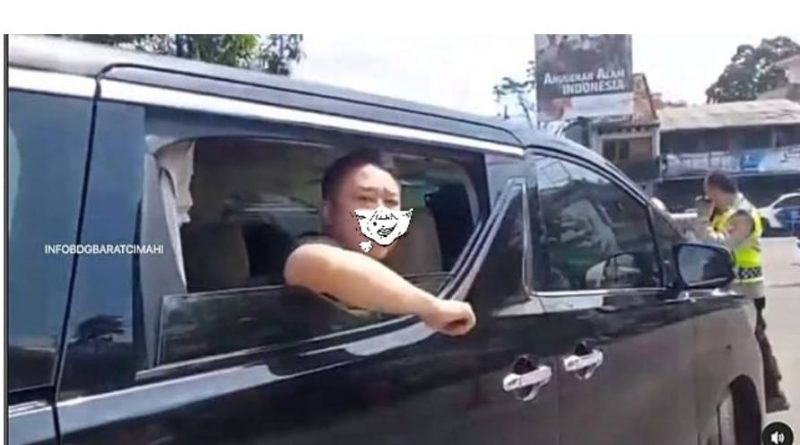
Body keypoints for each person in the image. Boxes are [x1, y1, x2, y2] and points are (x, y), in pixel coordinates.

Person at [283, 150, 476, 336]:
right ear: (329, 212)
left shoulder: (401, 272)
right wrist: (432, 308)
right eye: (366, 199)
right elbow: (314, 262)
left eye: (391, 202)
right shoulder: (316, 245)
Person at [692, 171, 789, 412]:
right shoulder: (724, 213)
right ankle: (765, 391)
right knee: (745, 340)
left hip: (747, 289)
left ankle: (773, 392)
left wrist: (702, 220)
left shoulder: (743, 215)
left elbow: (721, 245)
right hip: (730, 287)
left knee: (755, 340)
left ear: (717, 190)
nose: (707, 198)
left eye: (709, 193)